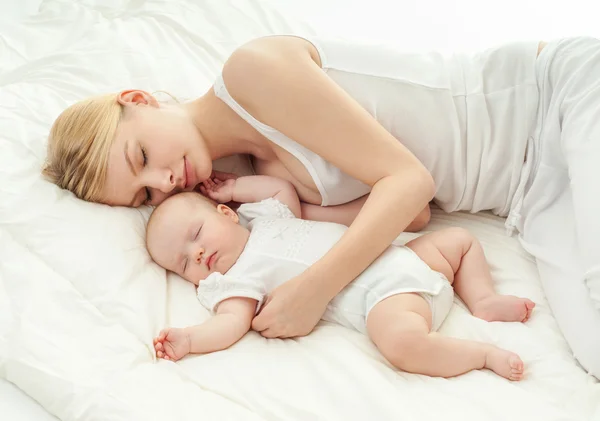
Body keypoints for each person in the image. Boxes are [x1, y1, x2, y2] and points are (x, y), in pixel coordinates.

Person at [41, 34, 600, 377]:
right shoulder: (246, 187)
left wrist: (314, 289)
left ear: (137, 99)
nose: (164, 181)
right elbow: (416, 216)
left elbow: (408, 182)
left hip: (550, 102)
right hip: (525, 193)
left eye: (141, 154)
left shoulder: (251, 73)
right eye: (145, 194)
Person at [147, 174, 534, 380]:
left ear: (226, 213)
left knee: (461, 240)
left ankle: (482, 299)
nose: (196, 253)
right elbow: (230, 324)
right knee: (400, 343)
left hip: (403, 257)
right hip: (385, 299)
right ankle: (481, 354)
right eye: (184, 263)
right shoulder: (235, 282)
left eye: (196, 235)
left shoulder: (264, 217)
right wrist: (190, 339)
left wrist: (234, 187)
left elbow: (280, 187)